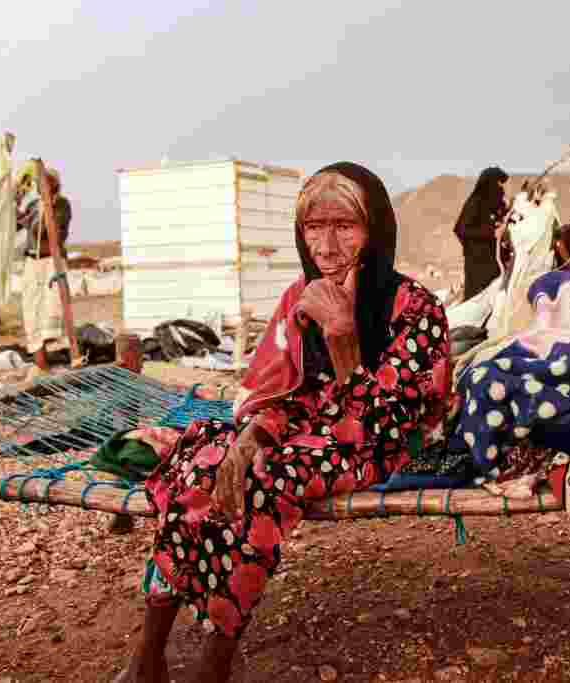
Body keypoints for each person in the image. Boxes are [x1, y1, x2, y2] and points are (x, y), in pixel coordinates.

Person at [116, 162, 452, 683]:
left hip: (378, 443)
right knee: (203, 463)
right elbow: (279, 387)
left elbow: (386, 425)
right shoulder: (299, 297)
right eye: (313, 228)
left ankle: (213, 665)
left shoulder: (416, 309)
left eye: (345, 226)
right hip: (307, 431)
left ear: (376, 230)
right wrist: (254, 434)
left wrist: (343, 339)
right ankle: (149, 655)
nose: (326, 245)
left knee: (266, 482)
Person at [16, 167, 72, 374]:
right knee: (32, 311)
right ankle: (41, 364)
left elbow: (50, 232)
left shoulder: (61, 204)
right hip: (33, 262)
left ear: (55, 185)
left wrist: (30, 219)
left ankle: (59, 357)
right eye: (39, 184)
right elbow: (16, 224)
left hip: (51, 262)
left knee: (52, 309)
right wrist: (15, 199)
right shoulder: (33, 205)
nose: (41, 187)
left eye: (46, 183)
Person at [454, 166, 509, 301]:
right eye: (498, 184)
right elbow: (460, 229)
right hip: (477, 263)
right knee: (475, 301)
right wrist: (490, 233)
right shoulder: (474, 203)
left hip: (495, 262)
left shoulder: (496, 204)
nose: (501, 189)